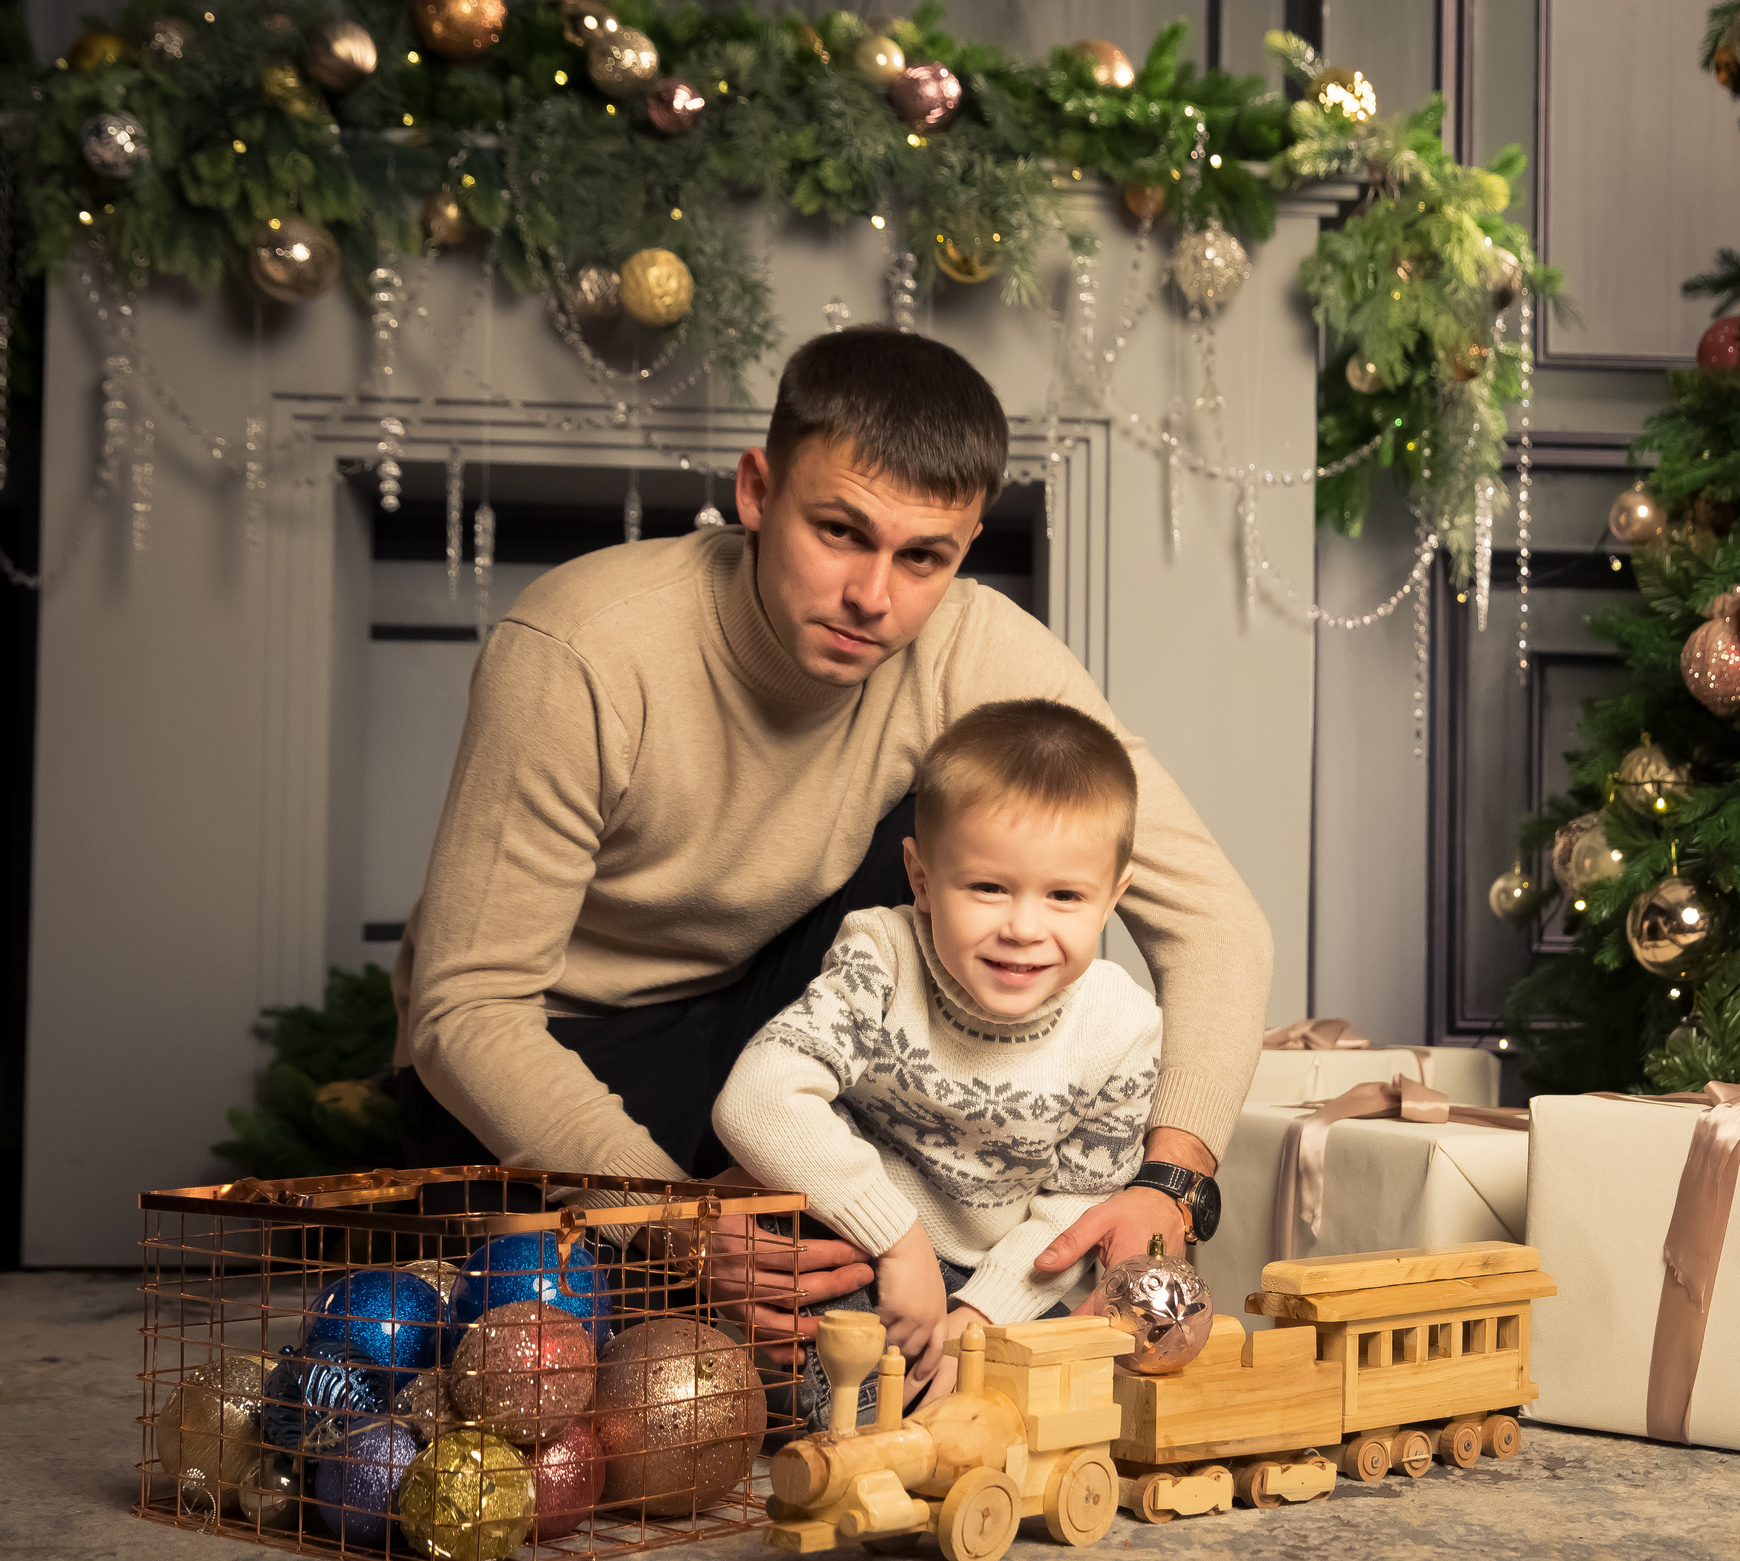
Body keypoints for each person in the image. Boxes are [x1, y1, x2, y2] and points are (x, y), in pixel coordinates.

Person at [389, 326, 1262, 1361]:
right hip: (565, 1047)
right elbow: (464, 1008)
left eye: (922, 557)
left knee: (987, 825)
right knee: (574, 1360)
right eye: (840, 531)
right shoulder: (582, 648)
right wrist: (673, 1219)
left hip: (774, 1019)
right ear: (757, 491)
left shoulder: (967, 644)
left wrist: (1170, 1181)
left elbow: (1214, 920)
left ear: (965, 546)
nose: (873, 597)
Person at [712, 699, 1159, 1428]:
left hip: (1008, 1272)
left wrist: (982, 1311)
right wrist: (898, 1239)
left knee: (1069, 1396)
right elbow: (757, 1099)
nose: (1023, 927)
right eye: (988, 887)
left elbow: (1077, 1203)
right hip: (862, 1243)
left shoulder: (1122, 1023)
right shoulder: (882, 955)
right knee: (849, 1393)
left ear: (1113, 896)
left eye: (1065, 896)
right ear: (921, 878)